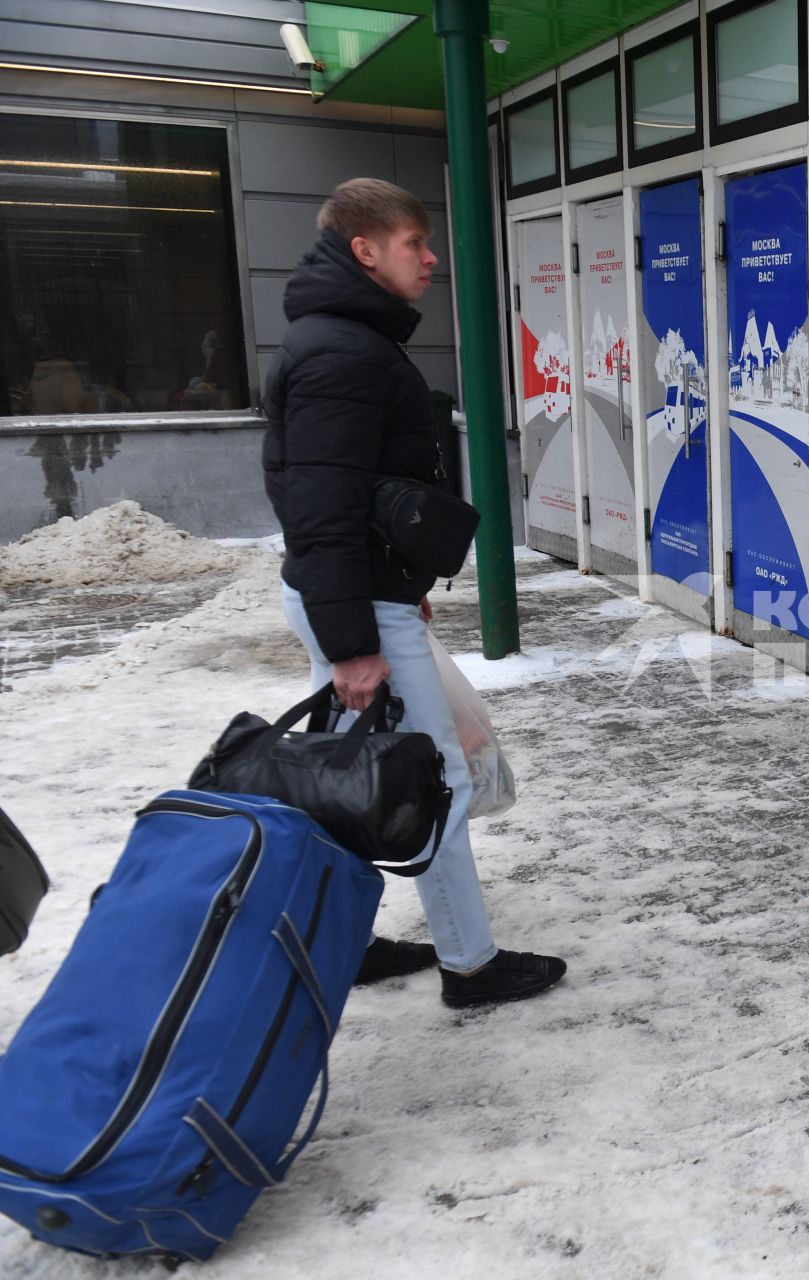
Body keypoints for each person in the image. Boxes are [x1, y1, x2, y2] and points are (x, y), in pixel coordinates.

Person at [262, 177, 566, 1008]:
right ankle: (470, 966)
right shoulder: (342, 352)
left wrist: (395, 586)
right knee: (435, 782)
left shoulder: (340, 338)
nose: (431, 259)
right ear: (365, 250)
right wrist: (357, 640)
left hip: (363, 597)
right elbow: (318, 506)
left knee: (350, 776)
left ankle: (343, 941)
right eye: (414, 245)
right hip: (356, 611)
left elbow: (347, 495)